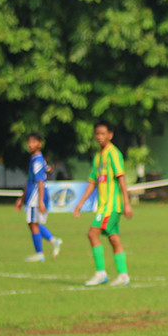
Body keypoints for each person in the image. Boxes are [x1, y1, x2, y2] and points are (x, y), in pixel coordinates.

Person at [73, 120, 133, 286]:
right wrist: (80, 204)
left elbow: (121, 178)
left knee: (92, 234)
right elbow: (92, 182)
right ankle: (123, 276)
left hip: (111, 205)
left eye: (102, 133)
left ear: (110, 135)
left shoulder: (113, 153)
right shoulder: (98, 157)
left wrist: (127, 202)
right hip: (102, 205)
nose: (99, 137)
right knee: (114, 239)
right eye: (97, 134)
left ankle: (101, 273)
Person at [15, 132, 62, 262]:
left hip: (35, 197)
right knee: (33, 223)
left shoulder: (38, 161)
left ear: (39, 144)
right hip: (32, 196)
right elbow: (30, 180)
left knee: (33, 223)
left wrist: (41, 201)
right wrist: (21, 198)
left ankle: (42, 251)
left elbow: (40, 181)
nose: (30, 145)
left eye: (33, 142)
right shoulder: (34, 159)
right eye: (29, 142)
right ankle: (52, 242)